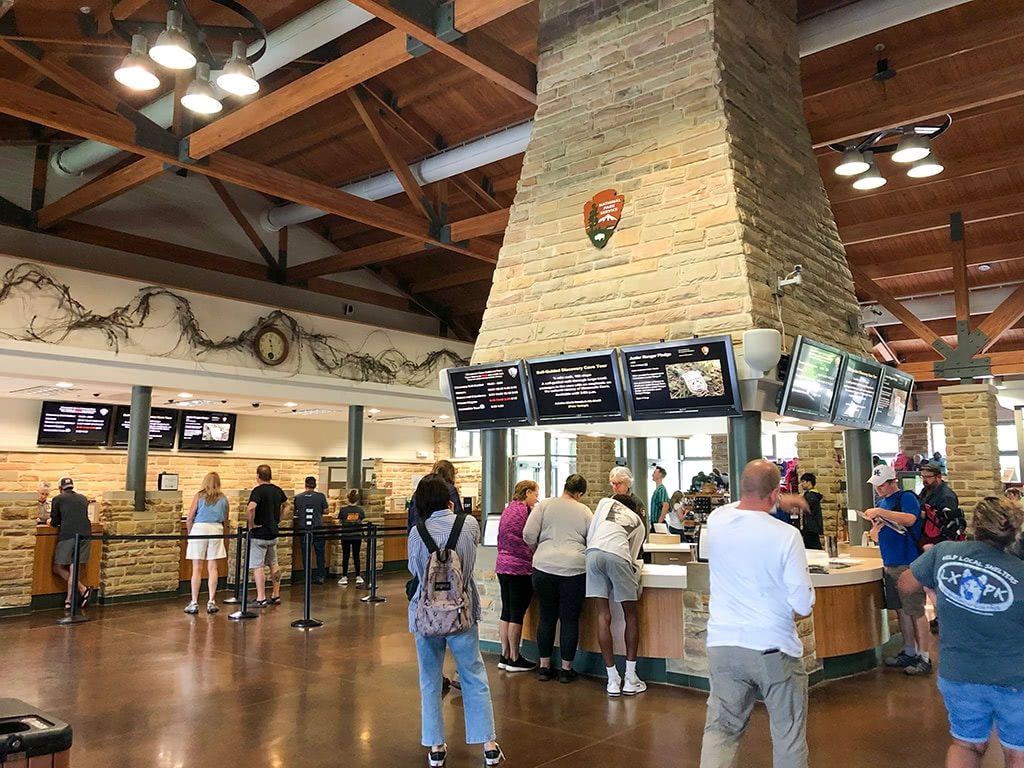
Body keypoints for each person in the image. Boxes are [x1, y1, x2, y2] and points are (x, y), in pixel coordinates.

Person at [700, 460, 814, 768]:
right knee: (787, 733)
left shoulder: (717, 519)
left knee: (721, 731)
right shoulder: (787, 536)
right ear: (776, 492)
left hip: (723, 646)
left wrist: (773, 498)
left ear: (740, 487)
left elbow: (744, 505)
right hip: (773, 650)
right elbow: (803, 604)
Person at [898, 497, 1024, 768]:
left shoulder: (943, 553)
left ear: (975, 525)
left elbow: (906, 584)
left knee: (967, 745)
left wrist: (938, 594)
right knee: (1018, 751)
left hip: (960, 674)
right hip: (1015, 679)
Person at [407, 474, 503, 768]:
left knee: (430, 678)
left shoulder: (416, 532)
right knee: (474, 674)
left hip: (426, 615)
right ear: (450, 498)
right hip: (461, 610)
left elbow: (415, 572)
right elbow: (470, 563)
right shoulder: (468, 524)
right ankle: (488, 745)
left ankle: (436, 747)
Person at [522, 474, 592, 683]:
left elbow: (528, 533)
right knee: (570, 619)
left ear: (565, 487)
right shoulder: (585, 511)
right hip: (574, 569)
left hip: (543, 567)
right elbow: (592, 539)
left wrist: (537, 550)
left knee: (546, 616)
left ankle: (544, 666)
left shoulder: (545, 505)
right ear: (580, 493)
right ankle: (566, 669)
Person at [864, 464, 930, 675]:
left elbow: (910, 519)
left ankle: (925, 656)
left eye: (881, 485)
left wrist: (882, 512)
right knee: (901, 610)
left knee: (915, 610)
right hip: (890, 562)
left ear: (893, 482)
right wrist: (875, 529)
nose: (878, 490)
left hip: (907, 562)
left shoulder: (906, 498)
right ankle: (909, 650)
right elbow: (879, 533)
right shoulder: (882, 503)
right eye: (876, 486)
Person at [586, 494, 647, 697]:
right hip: (618, 555)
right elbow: (632, 555)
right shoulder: (638, 523)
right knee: (631, 615)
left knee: (603, 615)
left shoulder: (604, 502)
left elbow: (592, 530)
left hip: (593, 554)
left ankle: (612, 679)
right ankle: (631, 678)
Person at [496, 480, 539, 673]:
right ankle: (515, 657)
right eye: (535, 494)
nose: (536, 498)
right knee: (517, 614)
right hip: (519, 567)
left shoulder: (508, 509)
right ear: (527, 492)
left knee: (506, 611)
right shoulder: (526, 512)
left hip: (502, 565)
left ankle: (504, 655)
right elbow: (530, 537)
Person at [184, 472, 230, 615]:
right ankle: (211, 601)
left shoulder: (199, 496)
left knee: (197, 567)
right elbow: (226, 519)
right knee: (213, 566)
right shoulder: (223, 498)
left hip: (199, 529)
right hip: (216, 528)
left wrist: (190, 533)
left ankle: (194, 602)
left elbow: (190, 517)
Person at [247, 464, 287, 607]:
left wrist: (251, 524)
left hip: (259, 534)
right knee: (274, 564)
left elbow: (251, 507)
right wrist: (279, 519)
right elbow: (288, 506)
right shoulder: (277, 490)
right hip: (273, 533)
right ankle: (276, 595)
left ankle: (261, 597)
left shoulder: (257, 491)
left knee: (258, 566)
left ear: (258, 476)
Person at [49, 477, 92, 611]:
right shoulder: (83, 498)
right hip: (85, 535)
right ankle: (76, 595)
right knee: (74, 568)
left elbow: (55, 521)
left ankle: (74, 596)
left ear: (61, 489)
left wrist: (50, 522)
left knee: (58, 567)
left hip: (68, 535)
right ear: (72, 487)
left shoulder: (58, 499)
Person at [408, 459, 463, 530]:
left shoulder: (420, 490)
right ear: (450, 473)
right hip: (444, 531)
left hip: (420, 532)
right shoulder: (450, 489)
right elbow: (458, 516)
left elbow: (412, 516)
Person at [293, 476, 329, 584]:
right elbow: (326, 511)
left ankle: (307, 576)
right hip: (318, 528)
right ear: (315, 485)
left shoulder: (298, 497)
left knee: (305, 553)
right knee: (320, 553)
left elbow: (295, 512)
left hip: (304, 528)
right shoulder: (321, 496)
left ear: (305, 484)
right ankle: (321, 576)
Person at [337, 489, 366, 586]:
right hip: (357, 535)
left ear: (348, 499)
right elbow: (361, 521)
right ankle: (358, 575)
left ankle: (344, 576)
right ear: (357, 500)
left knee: (345, 556)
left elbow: (340, 521)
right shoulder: (360, 510)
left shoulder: (343, 510)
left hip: (345, 535)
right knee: (356, 556)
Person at [798, 473, 824, 550]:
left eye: (803, 481)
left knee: (813, 550)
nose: (801, 484)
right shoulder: (812, 495)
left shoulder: (810, 496)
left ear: (809, 482)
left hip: (810, 528)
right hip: (812, 527)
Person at [650, 466, 669, 532]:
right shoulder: (658, 489)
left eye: (654, 472)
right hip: (655, 522)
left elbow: (666, 505)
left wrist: (660, 521)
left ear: (660, 475)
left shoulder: (661, 489)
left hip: (658, 522)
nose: (652, 474)